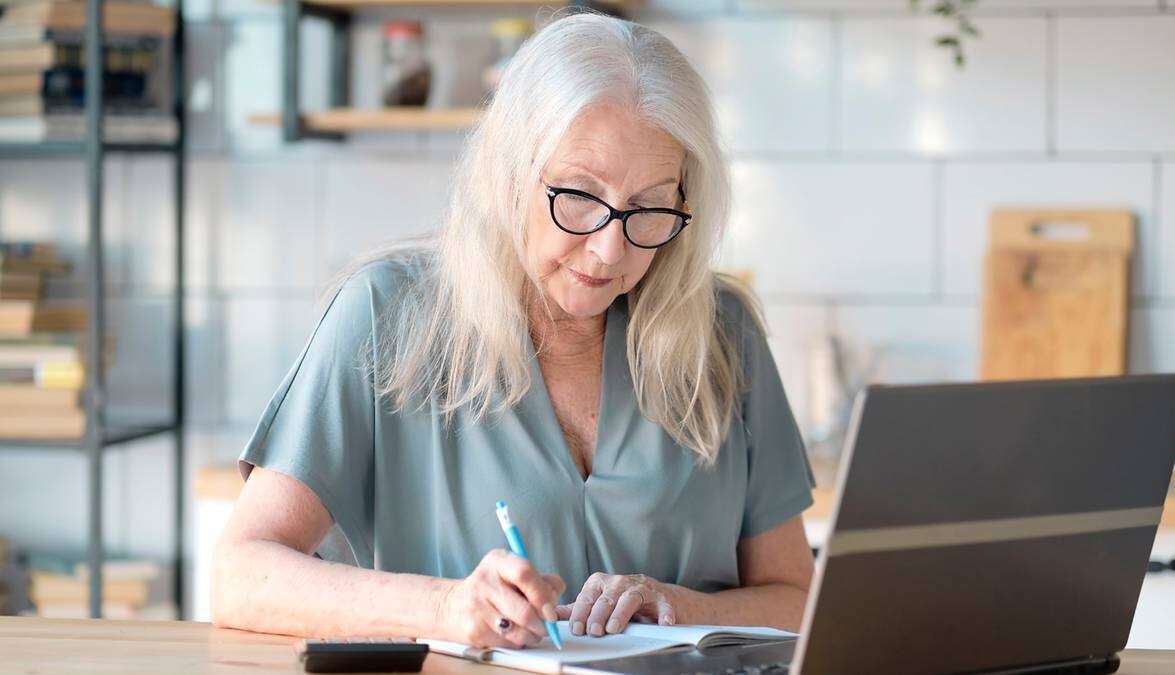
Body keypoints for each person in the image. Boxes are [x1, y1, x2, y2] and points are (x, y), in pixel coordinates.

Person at [210, 11, 817, 650]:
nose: (611, 250)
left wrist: (678, 605)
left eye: (649, 207)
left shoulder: (724, 332)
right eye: (579, 195)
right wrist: (445, 608)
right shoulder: (384, 313)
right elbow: (240, 574)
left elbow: (799, 600)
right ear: (509, 173)